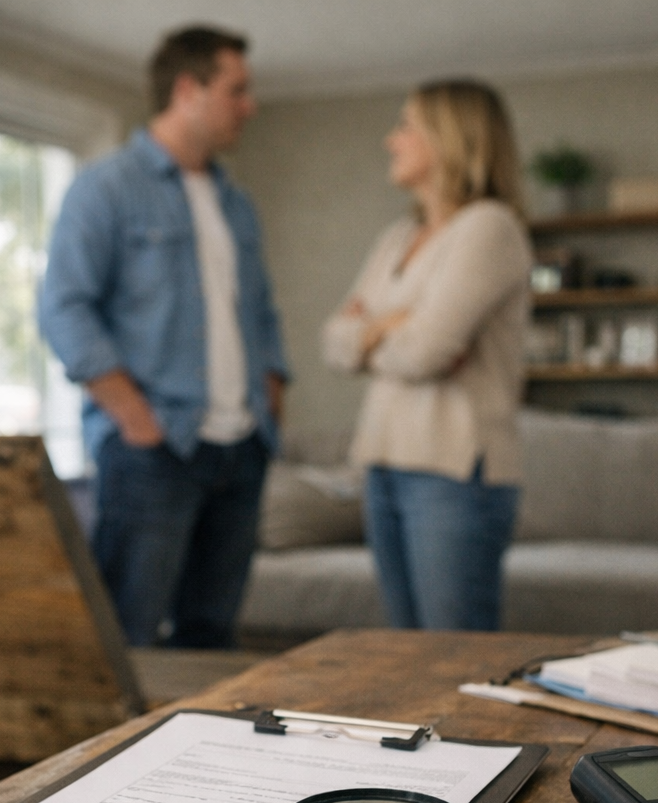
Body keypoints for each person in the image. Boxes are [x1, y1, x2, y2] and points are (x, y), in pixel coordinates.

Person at [39, 25, 288, 649]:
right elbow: (63, 307)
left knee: (211, 638)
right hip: (154, 451)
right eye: (237, 90)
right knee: (128, 636)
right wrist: (134, 417)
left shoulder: (238, 203)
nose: (249, 106)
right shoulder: (106, 187)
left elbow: (259, 311)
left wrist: (273, 388)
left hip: (240, 449)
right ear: (187, 89)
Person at [322, 80, 532, 631]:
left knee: (451, 661)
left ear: (450, 139)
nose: (392, 140)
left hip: (454, 470)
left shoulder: (489, 227)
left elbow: (427, 352)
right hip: (383, 461)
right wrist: (385, 331)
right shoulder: (397, 237)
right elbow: (333, 342)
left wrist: (372, 331)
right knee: (406, 656)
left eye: (406, 126)